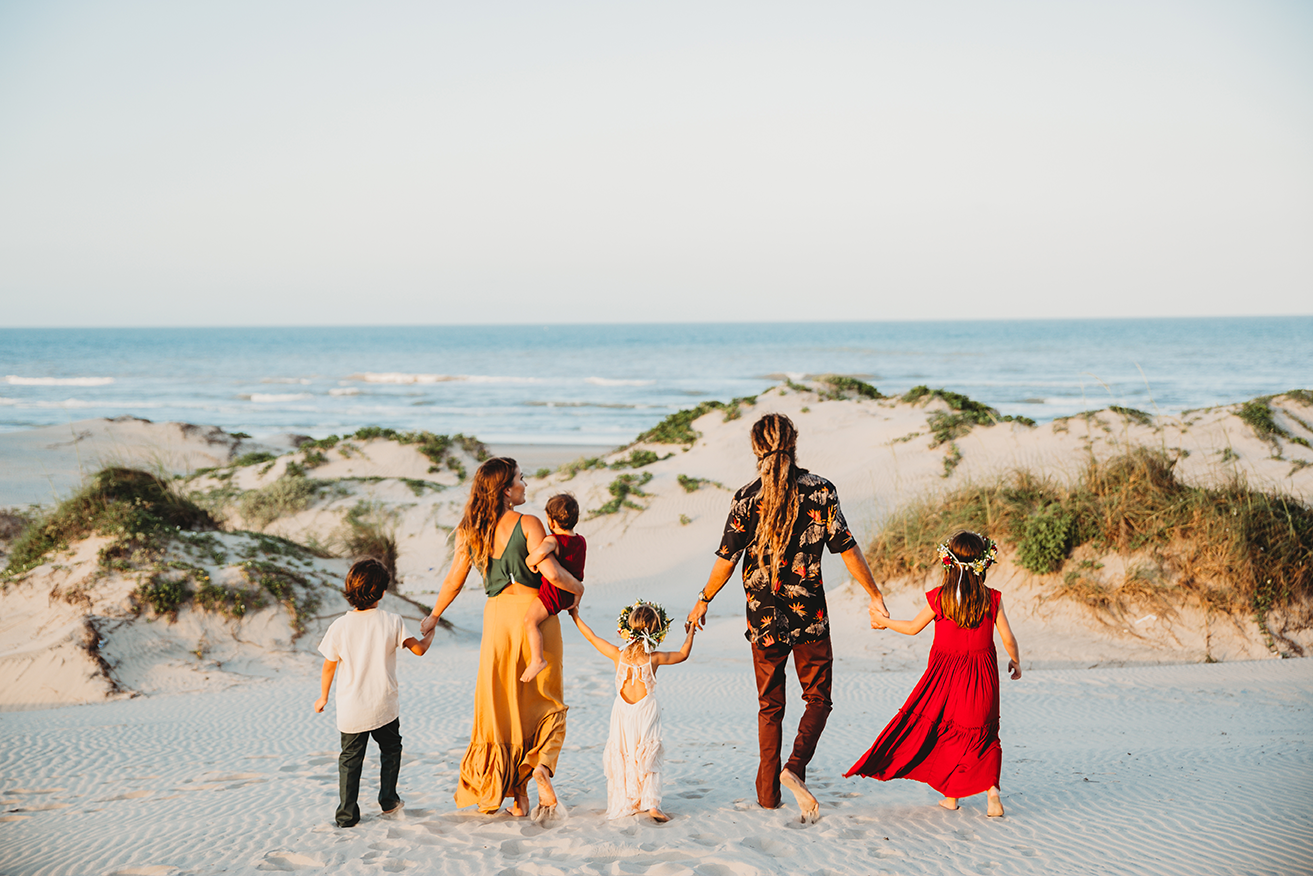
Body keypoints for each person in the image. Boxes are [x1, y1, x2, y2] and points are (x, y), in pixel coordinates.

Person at [686, 412, 890, 823]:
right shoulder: (821, 491)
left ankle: (767, 795)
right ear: (794, 442)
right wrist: (874, 594)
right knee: (818, 698)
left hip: (762, 617)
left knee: (769, 706)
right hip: (809, 614)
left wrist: (703, 599)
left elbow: (726, 561)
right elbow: (847, 549)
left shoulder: (746, 498)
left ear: (755, 448)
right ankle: (794, 767)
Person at [418, 458, 583, 824]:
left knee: (503, 706)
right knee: (544, 699)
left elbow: (454, 581)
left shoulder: (470, 529)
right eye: (520, 479)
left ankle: (517, 796)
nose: (526, 484)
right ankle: (539, 767)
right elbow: (552, 573)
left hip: (497, 622)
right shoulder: (529, 523)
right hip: (536, 616)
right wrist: (578, 588)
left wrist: (433, 616)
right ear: (507, 490)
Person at [845, 530, 1022, 817]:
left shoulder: (940, 598)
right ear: (984, 564)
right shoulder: (992, 598)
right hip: (982, 675)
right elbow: (1009, 638)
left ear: (947, 563)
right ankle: (992, 794)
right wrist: (1016, 661)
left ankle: (952, 796)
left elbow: (913, 628)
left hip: (945, 676)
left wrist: (883, 622)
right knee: (985, 734)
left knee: (948, 730)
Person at [314, 557, 435, 828]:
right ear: (381, 592)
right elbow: (419, 649)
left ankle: (346, 814)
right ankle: (389, 799)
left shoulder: (339, 626)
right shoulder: (392, 621)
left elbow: (328, 667)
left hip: (351, 709)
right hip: (383, 704)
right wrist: (431, 630)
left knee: (349, 760)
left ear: (350, 591)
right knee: (391, 749)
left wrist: (322, 697)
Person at [569, 600, 696, 822]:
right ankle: (652, 804)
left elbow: (592, 637)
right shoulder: (653, 658)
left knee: (624, 751)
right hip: (647, 711)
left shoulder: (618, 655)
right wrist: (691, 631)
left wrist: (575, 616)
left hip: (623, 713)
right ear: (657, 630)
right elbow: (683, 654)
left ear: (628, 627)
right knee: (648, 753)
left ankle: (626, 800)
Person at [520, 493, 587, 683]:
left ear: (551, 520)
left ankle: (538, 659)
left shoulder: (553, 540)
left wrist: (530, 561)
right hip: (570, 594)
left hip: (554, 593)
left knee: (530, 621)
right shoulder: (581, 540)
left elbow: (539, 552)